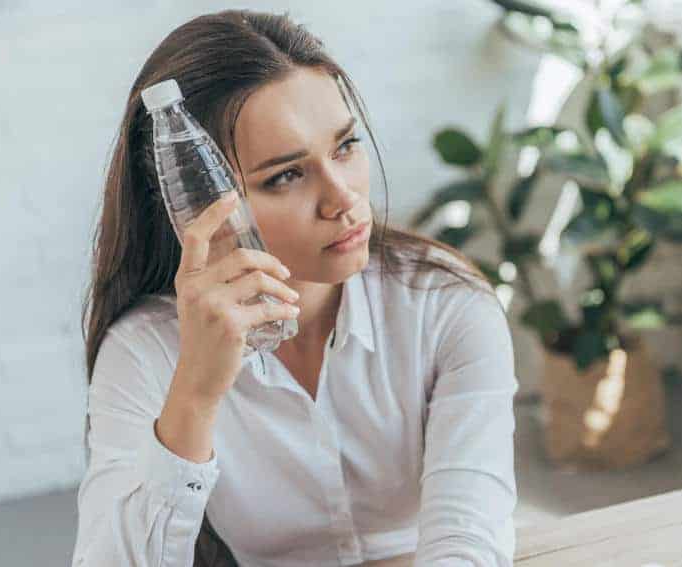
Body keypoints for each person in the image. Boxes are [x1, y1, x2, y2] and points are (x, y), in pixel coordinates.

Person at [72, 8, 519, 567]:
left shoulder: (447, 306)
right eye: (286, 175)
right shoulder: (146, 352)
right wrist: (196, 393)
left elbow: (468, 540)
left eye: (346, 146)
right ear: (192, 205)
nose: (343, 199)